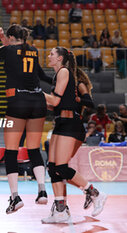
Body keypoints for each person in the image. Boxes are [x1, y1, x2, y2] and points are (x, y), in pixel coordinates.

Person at [0, 24, 54, 214]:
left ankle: (15, 197)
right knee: (34, 148)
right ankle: (42, 190)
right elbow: (40, 75)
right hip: (37, 101)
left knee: (11, 150)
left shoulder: (7, 49)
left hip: (18, 101)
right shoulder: (33, 50)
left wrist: (1, 40)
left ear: (10, 37)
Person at [42, 46, 107, 224]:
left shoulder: (64, 72)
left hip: (71, 124)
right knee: (53, 168)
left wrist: (34, 93)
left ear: (61, 58)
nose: (48, 56)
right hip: (61, 124)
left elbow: (55, 100)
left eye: (52, 54)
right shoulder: (59, 77)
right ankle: (60, 211)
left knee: (61, 168)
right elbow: (55, 105)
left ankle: (95, 193)